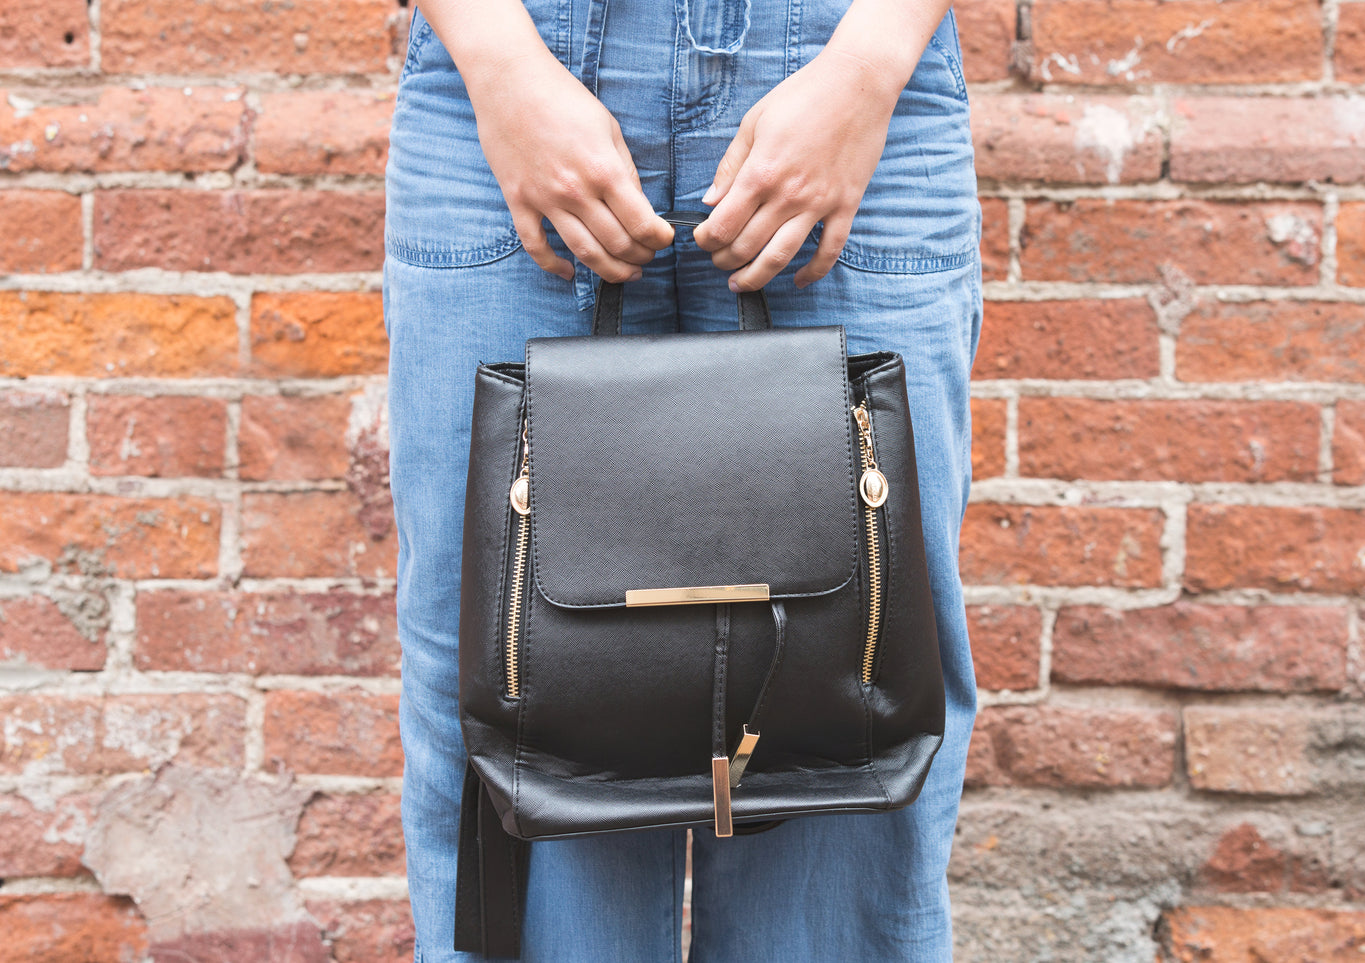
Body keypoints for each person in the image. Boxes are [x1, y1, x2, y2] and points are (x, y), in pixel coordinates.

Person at [383, 0, 983, 958]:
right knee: (512, 687)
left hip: (847, 64)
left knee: (856, 688)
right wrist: (500, 64)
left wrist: (868, 65)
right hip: (513, 65)